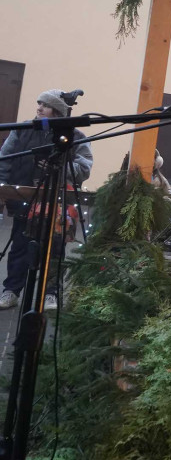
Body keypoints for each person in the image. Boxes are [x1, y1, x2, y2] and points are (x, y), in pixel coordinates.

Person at [0, 90, 93, 311]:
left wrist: (61, 167)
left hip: (58, 204)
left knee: (55, 250)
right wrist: (2, 189)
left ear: (58, 111)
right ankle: (11, 291)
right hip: (24, 199)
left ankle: (50, 293)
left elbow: (84, 168)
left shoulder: (75, 136)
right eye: (39, 103)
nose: (39, 108)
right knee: (20, 247)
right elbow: (4, 159)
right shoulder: (23, 130)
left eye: (46, 105)